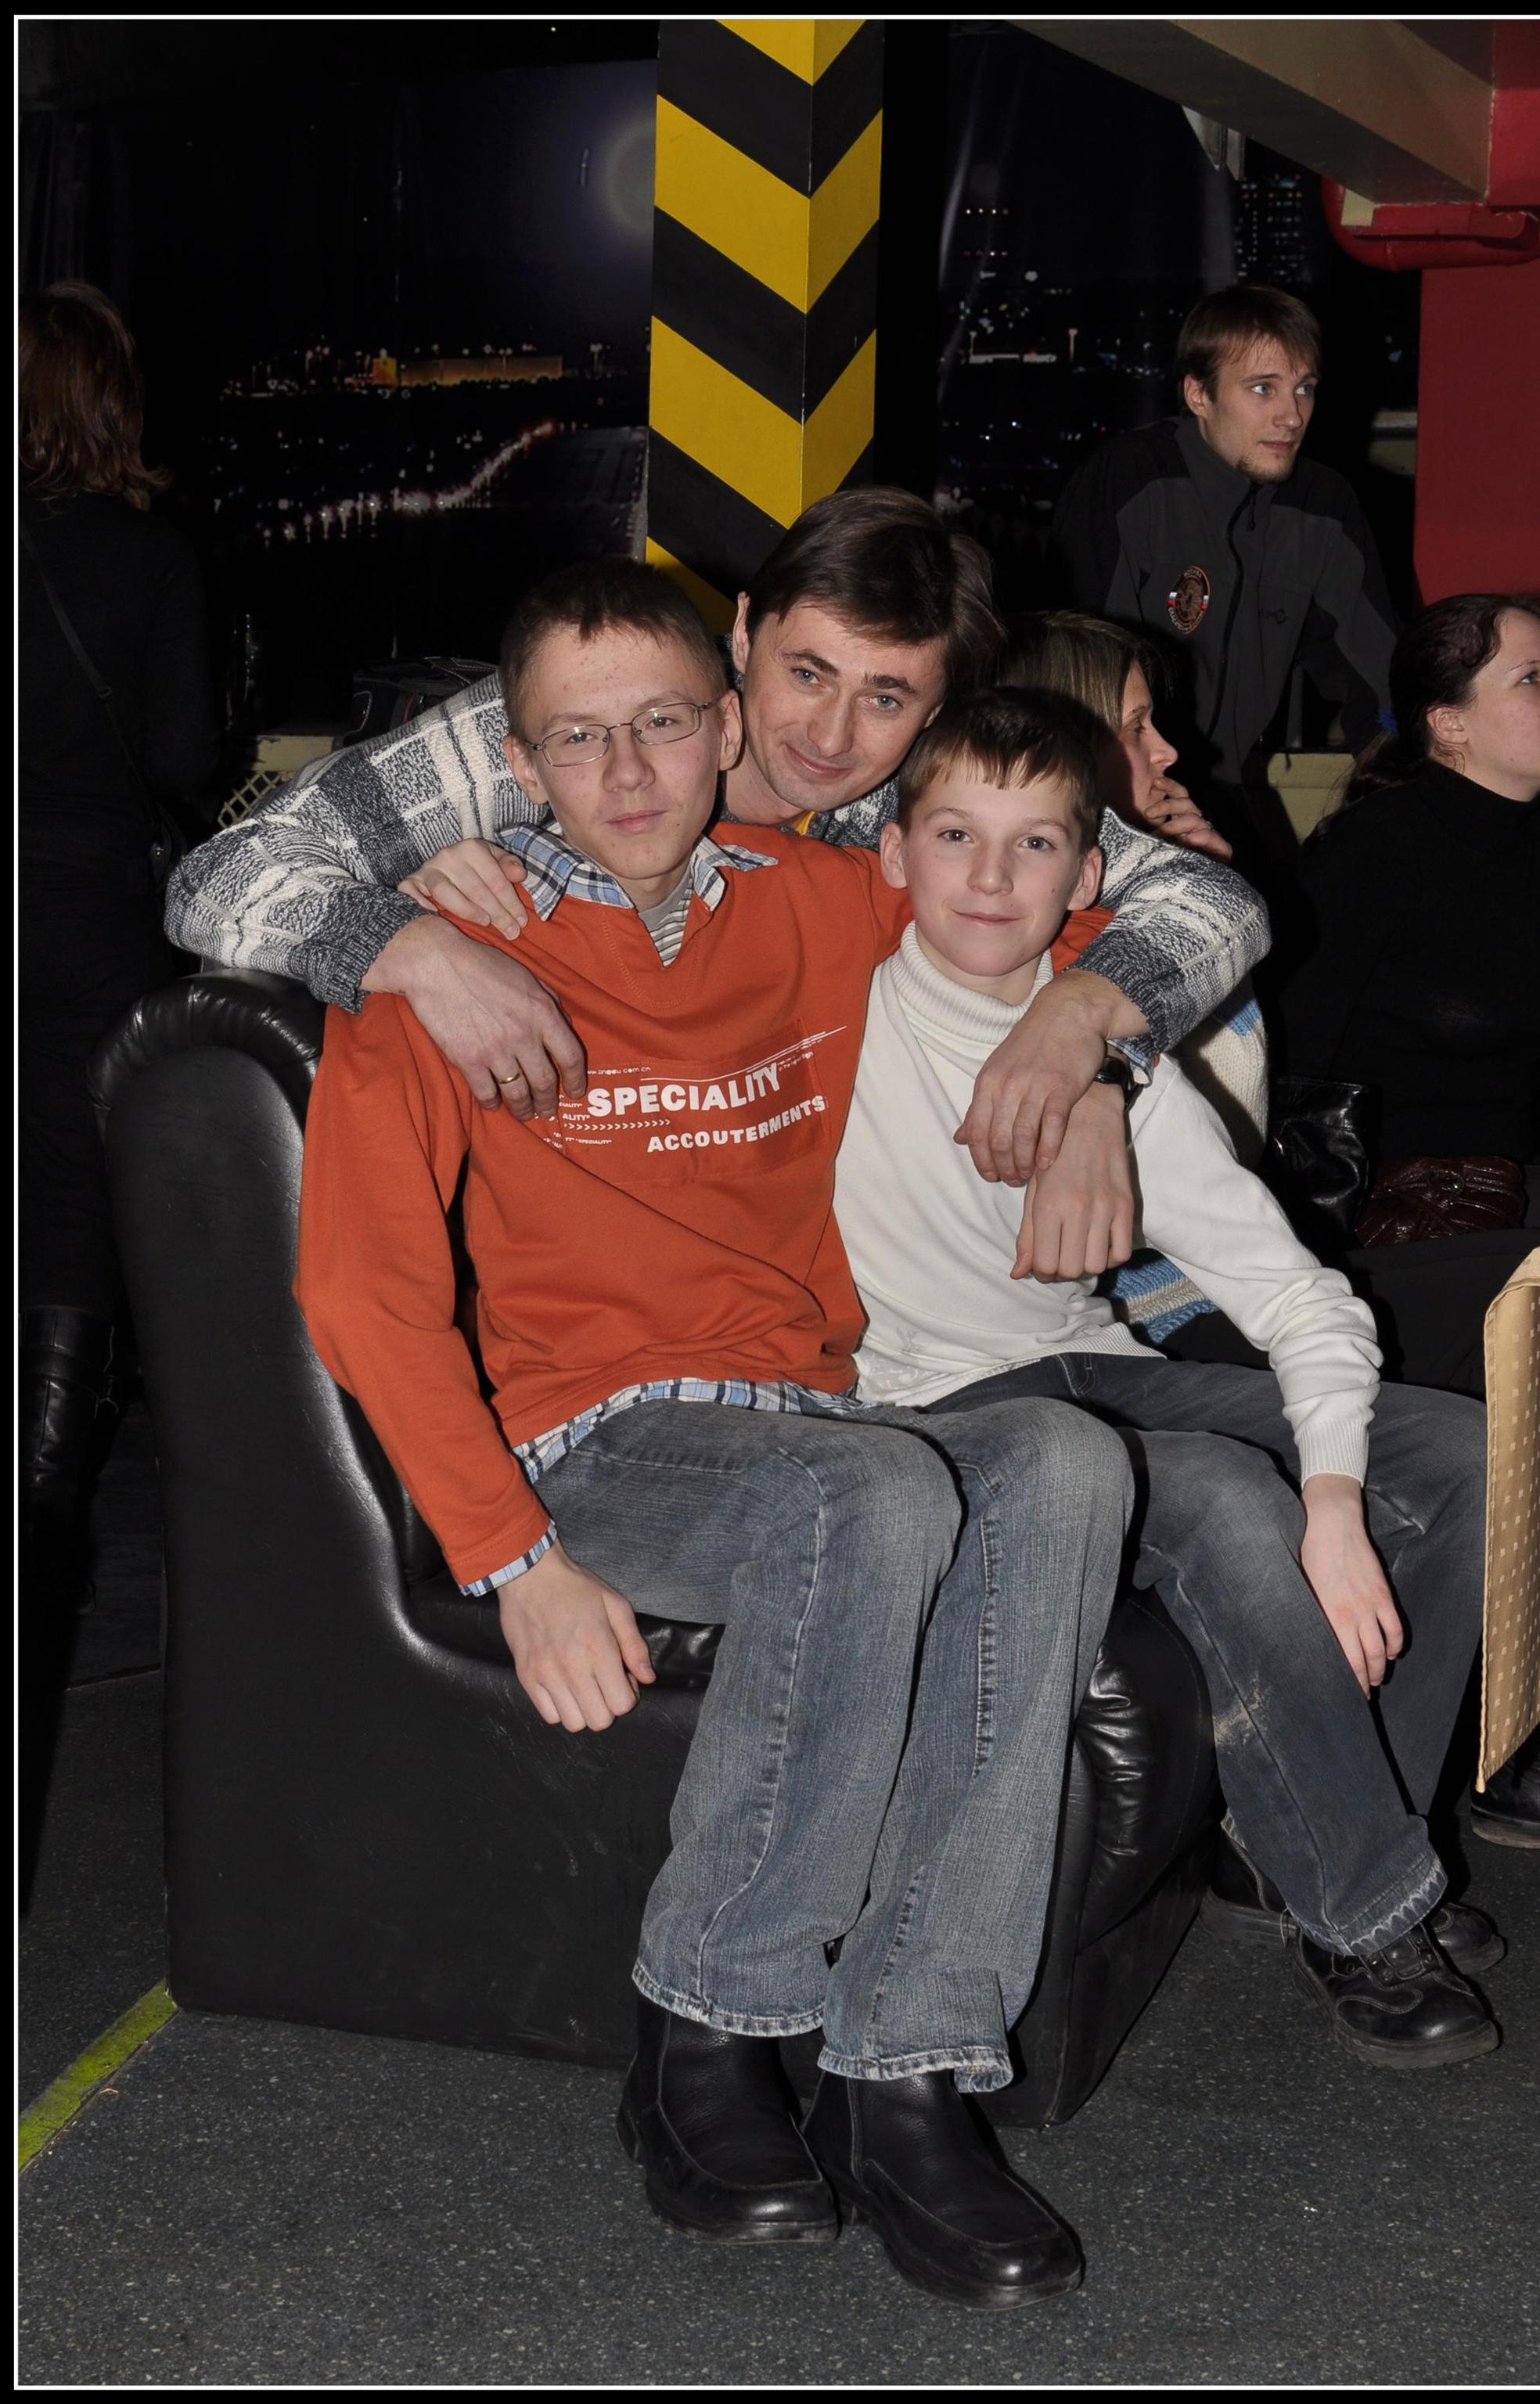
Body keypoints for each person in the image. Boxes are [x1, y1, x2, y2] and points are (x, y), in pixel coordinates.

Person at [295, 558, 1135, 2309]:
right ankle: (703, 2029)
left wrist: (1093, 1071)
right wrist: (514, 1559)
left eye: (665, 724)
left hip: (816, 1416)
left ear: (728, 721)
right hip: (599, 1439)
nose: (625, 774)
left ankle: (906, 2070)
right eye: (577, 739)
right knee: (867, 1499)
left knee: (1061, 1463)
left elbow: (1078, 926)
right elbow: (363, 1291)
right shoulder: (437, 963)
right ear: (517, 762)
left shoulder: (822, 900)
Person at [831, 685, 1499, 2071]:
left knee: (1460, 1459)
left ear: (1088, 878)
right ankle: (1367, 1908)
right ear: (890, 851)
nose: (990, 877)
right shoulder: (834, 1000)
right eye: (954, 835)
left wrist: (1335, 1500)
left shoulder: (1118, 1069)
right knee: (1214, 1493)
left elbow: (1299, 1298)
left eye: (1033, 845)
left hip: (1089, 1363)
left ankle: (1301, 1834)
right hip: (923, 1405)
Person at [165, 486, 1271, 1255]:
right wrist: (416, 949)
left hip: (818, 1258)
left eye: (886, 698)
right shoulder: (586, 715)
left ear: (938, 711)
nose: (830, 737)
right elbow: (215, 878)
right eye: (808, 672)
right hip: (538, 1253)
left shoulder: (914, 799)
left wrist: (1086, 1047)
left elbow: (1212, 901)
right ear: (742, 633)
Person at [20, 282, 219, 1585]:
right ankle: (42, 1491)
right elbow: (186, 758)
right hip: (90, 912)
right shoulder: (150, 560)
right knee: (72, 1194)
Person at [1268, 594, 1540, 1397]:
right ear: (1449, 723)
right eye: (1531, 678)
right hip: (1388, 1201)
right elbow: (1282, 1056)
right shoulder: (1375, 851)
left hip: (1509, 1175)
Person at [1049, 284, 1397, 896]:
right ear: (1198, 395)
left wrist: (1403, 792)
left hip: (1224, 789)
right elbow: (1070, 667)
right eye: (1263, 389)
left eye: (1305, 389)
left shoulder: (1324, 507)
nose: (1292, 416)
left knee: (1284, 928)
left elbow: (1379, 681)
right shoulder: (1130, 480)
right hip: (1105, 790)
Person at [998, 609, 1270, 1364]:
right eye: (1135, 727)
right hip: (1129, 1308)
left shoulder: (1153, 894)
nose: (1167, 750)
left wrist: (1204, 902)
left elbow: (1238, 1122)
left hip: (1204, 1274)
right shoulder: (1022, 925)